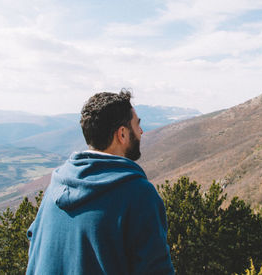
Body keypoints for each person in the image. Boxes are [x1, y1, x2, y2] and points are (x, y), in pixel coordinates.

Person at [26, 91, 175, 274]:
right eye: (137, 125)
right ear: (122, 134)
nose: (141, 131)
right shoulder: (138, 194)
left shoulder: (55, 186)